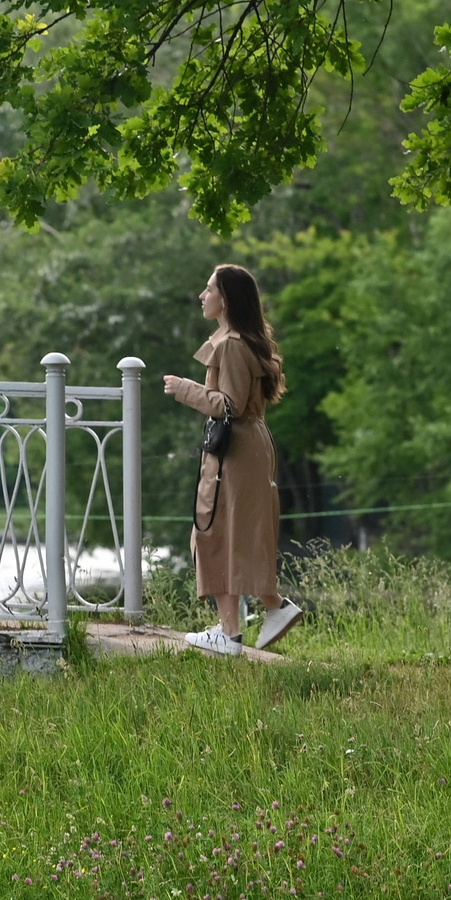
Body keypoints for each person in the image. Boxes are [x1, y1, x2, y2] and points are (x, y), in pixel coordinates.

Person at [163, 263, 301, 655]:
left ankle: (246, 624)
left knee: (219, 532)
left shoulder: (233, 345)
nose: (202, 296)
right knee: (220, 532)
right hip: (239, 449)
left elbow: (231, 406)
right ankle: (240, 626)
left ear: (226, 299)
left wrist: (185, 389)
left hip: (238, 450)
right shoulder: (232, 342)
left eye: (209, 289)